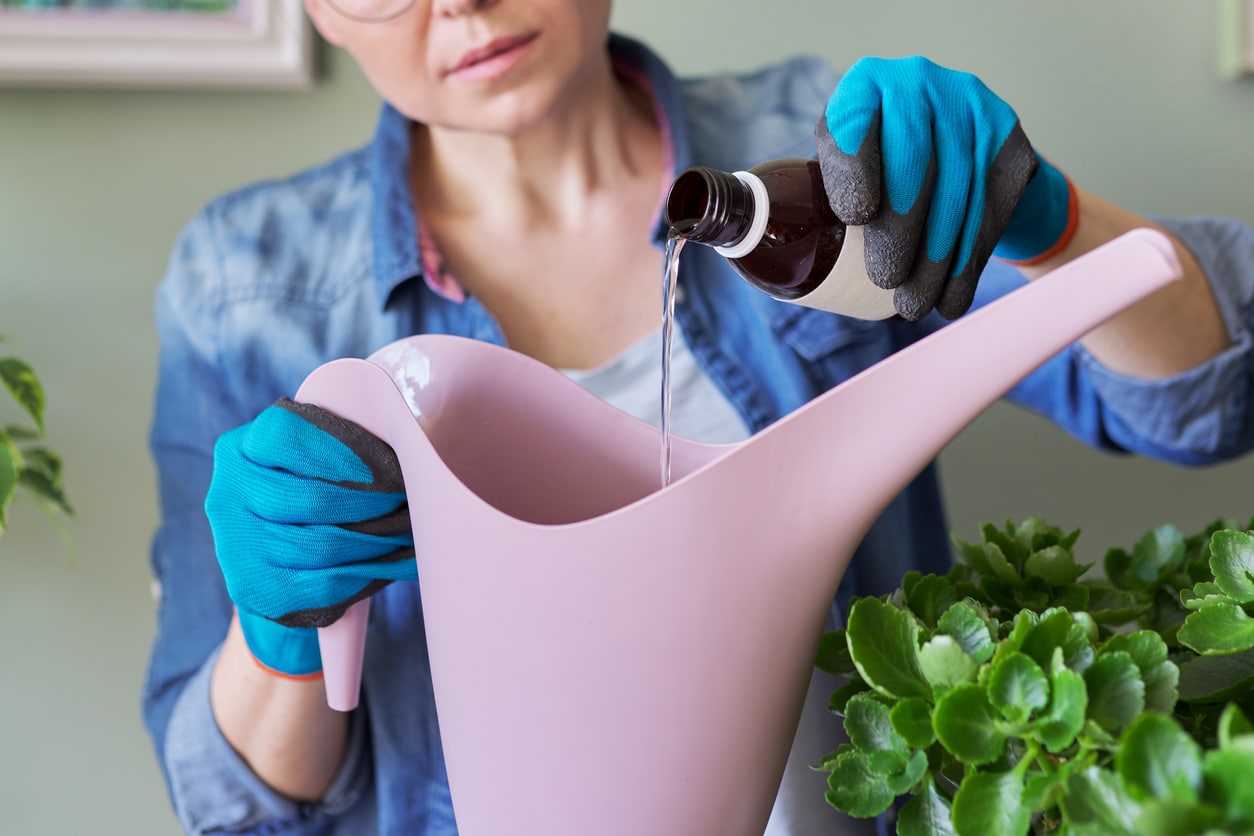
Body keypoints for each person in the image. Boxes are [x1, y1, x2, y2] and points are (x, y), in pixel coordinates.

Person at [141, 0, 1254, 833]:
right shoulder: (248, 289)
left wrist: (1047, 219)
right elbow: (238, 803)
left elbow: (1201, 407)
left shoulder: (820, 156)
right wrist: (279, 633)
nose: (461, 3)